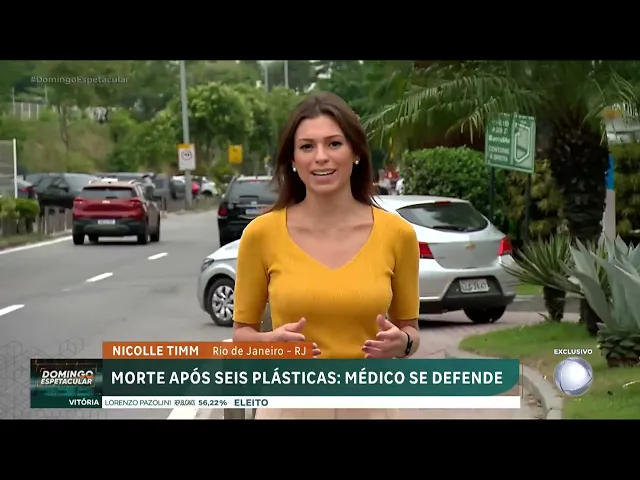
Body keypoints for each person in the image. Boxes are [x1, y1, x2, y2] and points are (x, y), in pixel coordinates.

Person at [232, 92, 420, 420]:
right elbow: (241, 335)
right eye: (307, 147)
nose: (321, 157)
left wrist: (402, 343)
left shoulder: (398, 234)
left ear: (356, 153)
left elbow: (411, 332)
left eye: (334, 144)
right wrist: (269, 344)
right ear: (292, 160)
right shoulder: (261, 235)